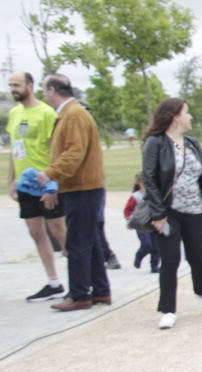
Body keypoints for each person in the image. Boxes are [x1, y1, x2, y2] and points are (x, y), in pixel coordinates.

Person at [141, 98, 202, 330]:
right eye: (187, 113)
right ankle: (168, 309)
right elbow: (149, 178)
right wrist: (158, 213)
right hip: (168, 212)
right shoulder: (155, 143)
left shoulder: (192, 143)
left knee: (197, 257)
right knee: (170, 260)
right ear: (175, 116)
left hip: (195, 210)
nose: (191, 117)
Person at [35, 73, 110, 312]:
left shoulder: (74, 114)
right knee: (92, 241)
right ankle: (100, 291)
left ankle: (79, 294)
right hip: (81, 187)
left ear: (53, 91)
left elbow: (74, 153)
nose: (43, 93)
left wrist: (50, 173)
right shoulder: (70, 113)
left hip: (82, 187)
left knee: (77, 242)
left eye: (44, 89)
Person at [7, 71, 67, 303]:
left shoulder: (46, 113)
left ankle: (79, 282)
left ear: (30, 86)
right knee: (36, 233)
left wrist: (53, 184)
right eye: (10, 85)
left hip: (45, 182)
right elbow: (15, 149)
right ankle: (54, 283)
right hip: (24, 184)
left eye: (17, 85)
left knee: (59, 231)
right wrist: (10, 181)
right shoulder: (14, 113)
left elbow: (56, 150)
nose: (13, 89)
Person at [122, 173, 160, 273]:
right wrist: (129, 221)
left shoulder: (154, 194)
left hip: (153, 224)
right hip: (141, 225)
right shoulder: (136, 196)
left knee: (156, 247)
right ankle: (139, 256)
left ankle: (154, 266)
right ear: (140, 184)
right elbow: (127, 209)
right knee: (147, 245)